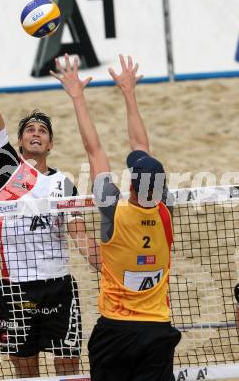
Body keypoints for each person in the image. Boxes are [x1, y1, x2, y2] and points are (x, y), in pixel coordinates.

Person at [0, 32, 99, 378]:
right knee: (26, 373)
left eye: (42, 130)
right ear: (19, 141)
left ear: (50, 144)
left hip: (59, 286)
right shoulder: (6, 170)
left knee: (69, 370)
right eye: (29, 129)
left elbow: (79, 232)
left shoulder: (63, 183)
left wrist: (105, 265)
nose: (35, 132)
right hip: (17, 288)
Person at [51, 53, 181, 380]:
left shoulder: (113, 209)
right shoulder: (166, 211)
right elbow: (142, 146)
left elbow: (93, 150)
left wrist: (78, 97)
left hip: (116, 331)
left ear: (132, 188)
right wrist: (129, 93)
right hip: (156, 330)